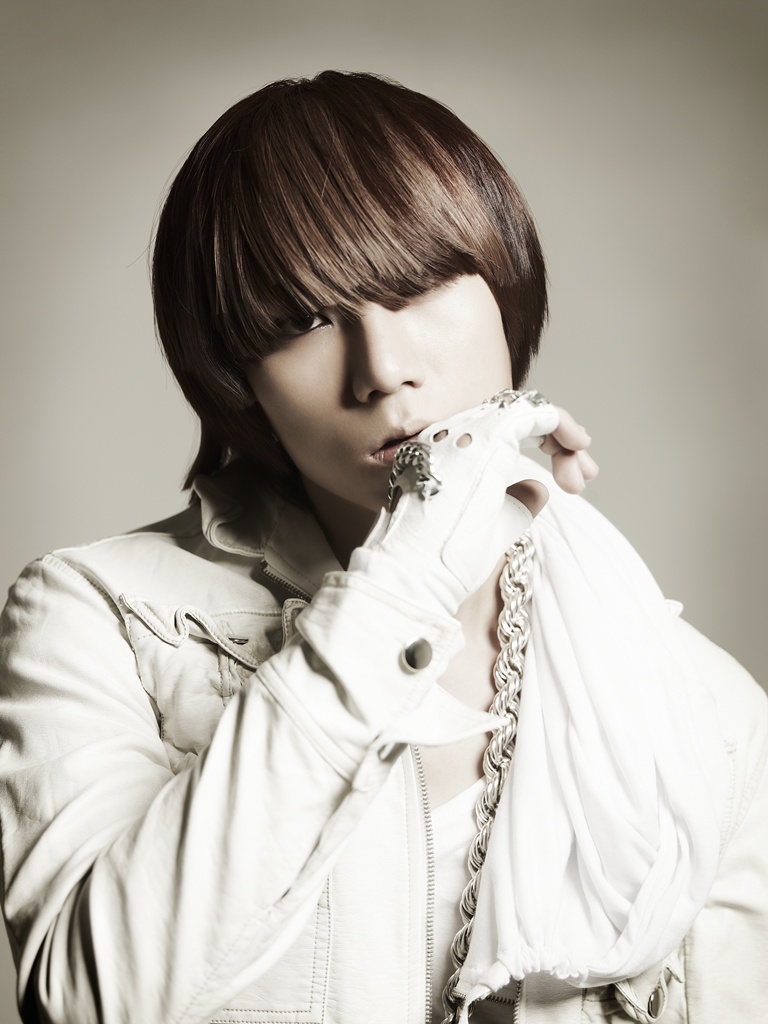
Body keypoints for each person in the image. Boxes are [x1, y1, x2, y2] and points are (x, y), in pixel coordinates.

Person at [0, 70, 765, 1024]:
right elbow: (88, 999)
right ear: (237, 376)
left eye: (417, 288)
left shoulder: (704, 706)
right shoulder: (100, 615)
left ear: (505, 289)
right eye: (302, 323)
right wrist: (402, 583)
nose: (382, 370)